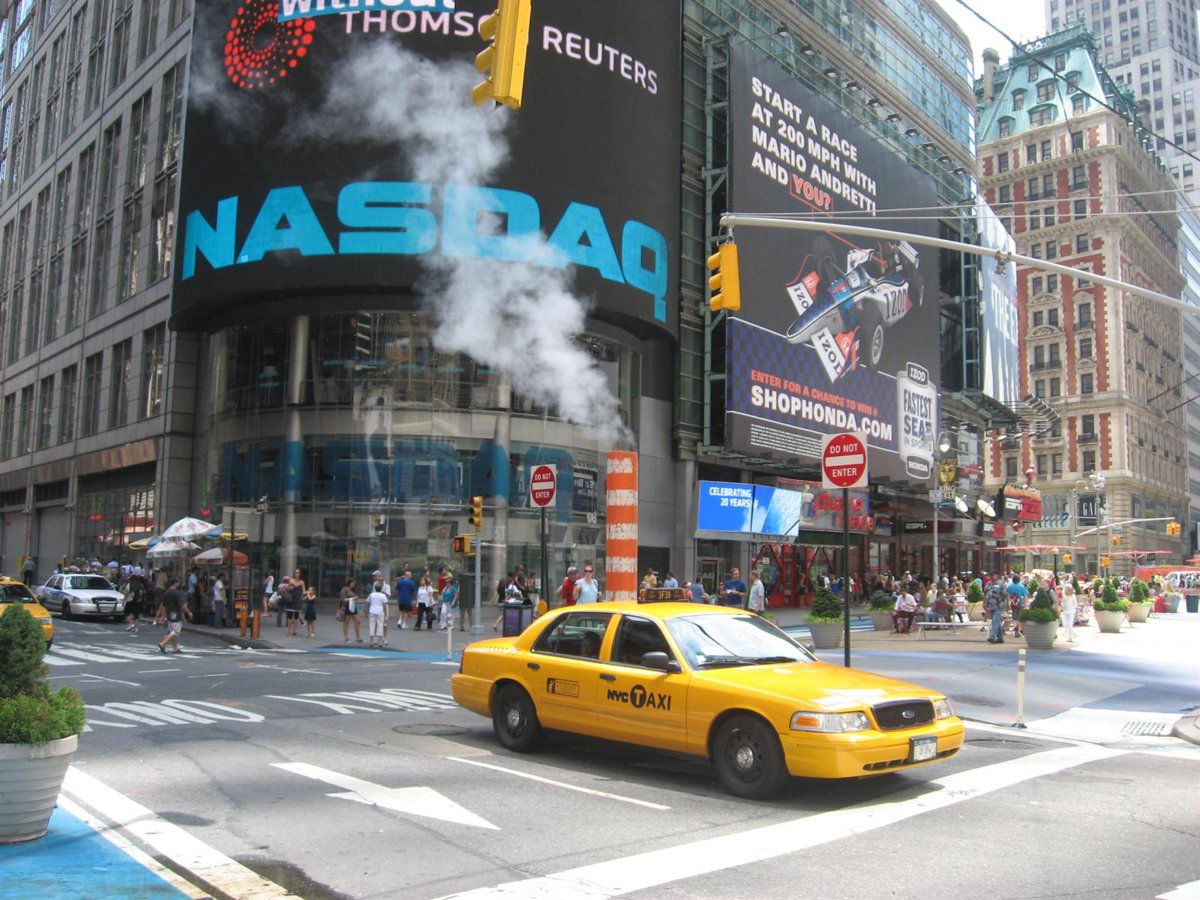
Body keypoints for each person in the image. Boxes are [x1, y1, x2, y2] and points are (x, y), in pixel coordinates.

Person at [157, 576, 192, 654]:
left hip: (169, 614)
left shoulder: (166, 593)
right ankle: (163, 644)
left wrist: (163, 616)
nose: (179, 584)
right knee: (175, 631)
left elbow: (164, 606)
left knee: (172, 631)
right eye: (178, 582)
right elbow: (183, 606)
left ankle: (175, 648)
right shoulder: (177, 593)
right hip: (176, 613)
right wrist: (189, 613)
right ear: (175, 583)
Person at [985, 572, 1008, 643]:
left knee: (995, 621)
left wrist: (1007, 605)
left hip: (999, 605)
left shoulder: (1001, 584)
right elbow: (985, 594)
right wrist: (984, 603)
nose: (992, 576)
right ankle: (1000, 638)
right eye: (991, 575)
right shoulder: (988, 584)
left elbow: (1006, 595)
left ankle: (992, 636)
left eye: (993, 575)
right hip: (990, 606)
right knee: (996, 621)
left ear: (997, 576)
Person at [366, 580, 389, 648]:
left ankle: (371, 641)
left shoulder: (371, 595)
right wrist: (386, 614)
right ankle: (380, 642)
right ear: (381, 589)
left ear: (375, 588)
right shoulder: (383, 596)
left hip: (372, 611)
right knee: (380, 626)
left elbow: (367, 603)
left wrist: (366, 611)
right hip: (380, 612)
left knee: (372, 626)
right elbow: (385, 605)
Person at [340, 577, 362, 643]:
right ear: (349, 583)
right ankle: (346, 638)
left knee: (358, 621)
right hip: (347, 606)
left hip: (352, 606)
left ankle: (358, 637)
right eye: (352, 584)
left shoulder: (352, 590)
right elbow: (342, 599)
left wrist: (356, 598)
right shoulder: (344, 590)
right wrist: (351, 599)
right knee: (346, 622)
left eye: (354, 584)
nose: (353, 585)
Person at [286, 569, 306, 637]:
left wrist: (309, 593)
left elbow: (303, 591)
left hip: (298, 600)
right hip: (291, 599)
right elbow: (287, 589)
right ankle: (289, 630)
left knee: (296, 616)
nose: (296, 574)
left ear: (300, 574)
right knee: (290, 616)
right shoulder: (291, 580)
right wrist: (290, 588)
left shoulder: (302, 582)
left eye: (297, 572)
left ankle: (295, 630)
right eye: (295, 572)